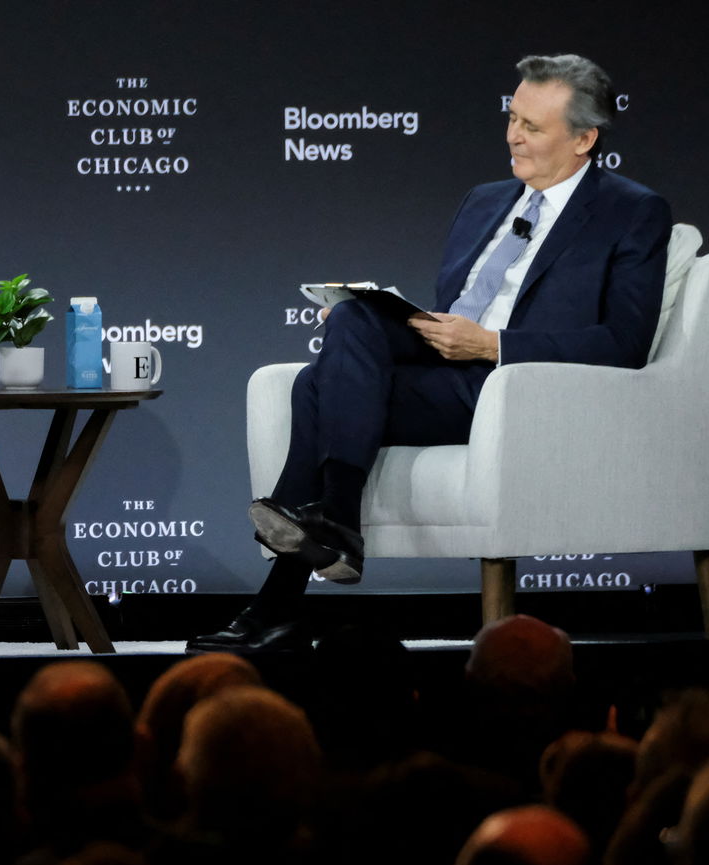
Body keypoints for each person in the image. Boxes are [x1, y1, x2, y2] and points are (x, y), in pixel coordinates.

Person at [192, 53, 671, 654]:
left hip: (511, 389)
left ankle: (287, 590)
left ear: (584, 139)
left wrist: (494, 344)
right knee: (355, 316)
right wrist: (381, 321)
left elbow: (624, 344)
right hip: (442, 361)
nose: (512, 135)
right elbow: (455, 307)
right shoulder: (485, 200)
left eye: (532, 126)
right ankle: (331, 526)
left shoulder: (631, 212)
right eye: (512, 117)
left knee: (316, 387)